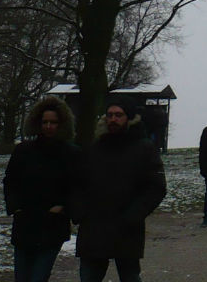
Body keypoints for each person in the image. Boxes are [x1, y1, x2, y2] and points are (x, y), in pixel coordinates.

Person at [74, 95, 166, 282]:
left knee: (130, 276)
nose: (113, 119)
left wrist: (133, 215)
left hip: (126, 229)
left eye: (118, 115)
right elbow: (77, 182)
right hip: (94, 228)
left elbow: (156, 187)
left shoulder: (144, 148)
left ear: (129, 118)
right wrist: (79, 211)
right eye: (110, 115)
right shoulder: (94, 148)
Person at [2, 95, 82, 282]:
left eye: (53, 122)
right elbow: (10, 181)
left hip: (52, 226)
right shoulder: (23, 150)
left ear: (61, 124)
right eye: (45, 121)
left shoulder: (72, 154)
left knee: (38, 277)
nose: (48, 126)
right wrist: (15, 206)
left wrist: (64, 208)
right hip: (25, 224)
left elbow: (78, 187)